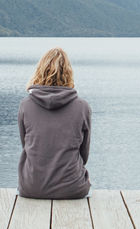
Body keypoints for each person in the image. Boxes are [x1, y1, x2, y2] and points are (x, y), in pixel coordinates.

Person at [17, 46, 91, 199]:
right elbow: (84, 154)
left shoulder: (26, 105)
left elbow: (26, 145)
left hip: (31, 187)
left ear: (40, 70)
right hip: (72, 188)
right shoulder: (82, 107)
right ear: (69, 73)